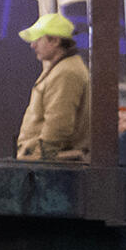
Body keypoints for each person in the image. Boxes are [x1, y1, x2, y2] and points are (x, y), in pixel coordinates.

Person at [15, 11, 92, 162]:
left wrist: (41, 157)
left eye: (38, 39)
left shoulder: (66, 72)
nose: (33, 45)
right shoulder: (64, 68)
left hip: (52, 169)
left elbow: (59, 122)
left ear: (55, 41)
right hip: (52, 164)